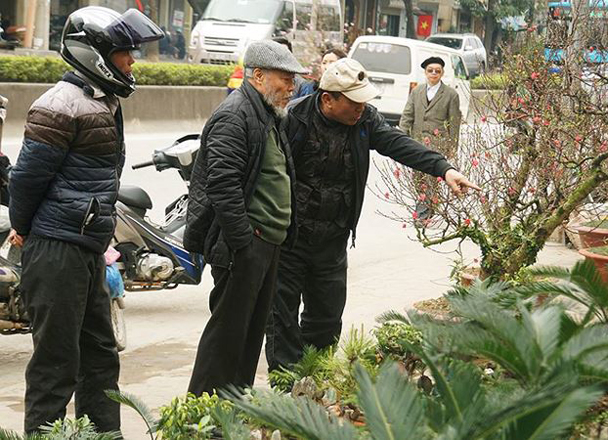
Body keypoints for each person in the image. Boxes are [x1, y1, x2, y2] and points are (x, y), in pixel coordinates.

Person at [265, 58, 480, 372]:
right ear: (328, 99)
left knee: (325, 320)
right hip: (290, 241)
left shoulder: (364, 121)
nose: (361, 109)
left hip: (332, 241)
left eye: (365, 102)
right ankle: (284, 389)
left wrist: (443, 169)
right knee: (282, 322)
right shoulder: (293, 119)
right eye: (355, 103)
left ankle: (316, 382)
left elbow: (398, 143)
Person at [7, 7, 163, 434]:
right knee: (56, 364)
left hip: (87, 248)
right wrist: (22, 227)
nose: (131, 61)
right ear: (93, 54)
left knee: (99, 356)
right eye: (123, 54)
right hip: (56, 248)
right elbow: (26, 180)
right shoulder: (58, 104)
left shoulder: (101, 99)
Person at [184, 40, 308, 394]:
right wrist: (243, 243)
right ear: (258, 76)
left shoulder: (268, 115)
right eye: (285, 79)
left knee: (250, 336)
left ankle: (234, 407)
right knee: (226, 335)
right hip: (245, 246)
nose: (292, 87)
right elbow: (223, 187)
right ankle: (201, 417)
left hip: (266, 244)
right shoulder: (234, 114)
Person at [399, 56, 462, 156]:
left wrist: (453, 147)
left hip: (439, 144)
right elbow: (407, 116)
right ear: (425, 72)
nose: (433, 73)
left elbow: (454, 123)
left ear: (442, 73)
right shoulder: (416, 91)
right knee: (416, 171)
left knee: (435, 171)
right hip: (416, 142)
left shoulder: (451, 94)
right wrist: (401, 140)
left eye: (437, 71)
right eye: (430, 70)